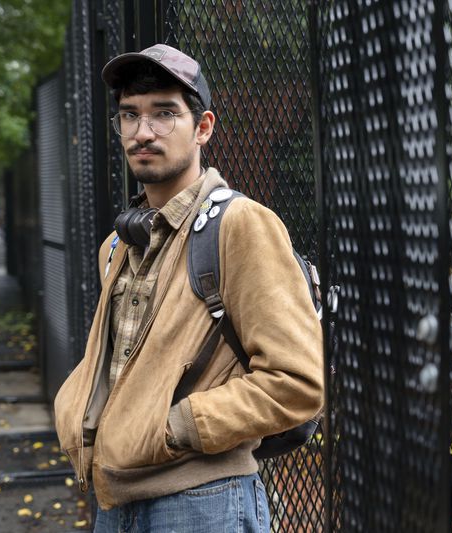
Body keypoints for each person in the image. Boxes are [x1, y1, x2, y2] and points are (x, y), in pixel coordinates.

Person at [53, 44, 324, 533]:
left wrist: (175, 428)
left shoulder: (241, 226)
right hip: (114, 502)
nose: (143, 132)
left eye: (164, 114)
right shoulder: (117, 245)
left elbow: (297, 384)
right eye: (129, 116)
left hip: (203, 502)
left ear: (203, 128)